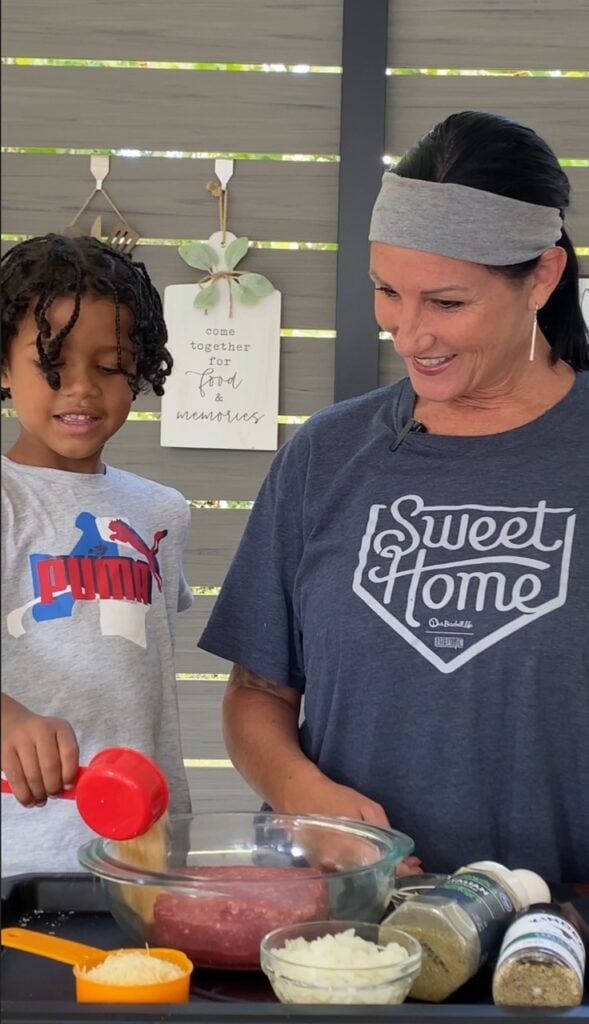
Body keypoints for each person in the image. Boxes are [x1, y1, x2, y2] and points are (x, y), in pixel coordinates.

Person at [199, 111, 589, 884]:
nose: (409, 336)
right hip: (350, 938)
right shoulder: (326, 453)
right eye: (386, 292)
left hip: (559, 949)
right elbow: (257, 691)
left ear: (540, 279)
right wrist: (304, 798)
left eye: (445, 303)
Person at [1, 234, 193, 875]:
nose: (80, 388)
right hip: (20, 858)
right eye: (52, 366)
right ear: (4, 369)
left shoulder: (162, 512)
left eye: (109, 366)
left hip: (145, 851)